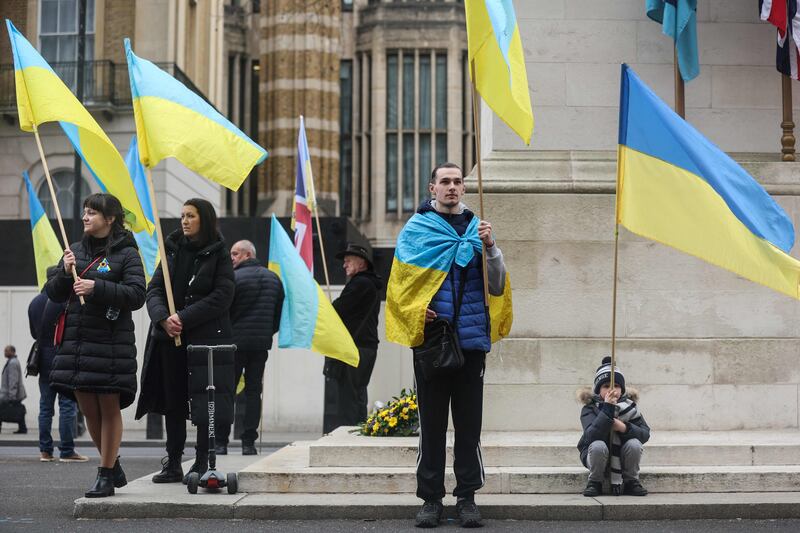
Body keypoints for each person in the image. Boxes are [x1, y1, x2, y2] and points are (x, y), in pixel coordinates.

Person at [388, 162, 509, 529]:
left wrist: (490, 248)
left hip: (471, 344)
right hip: (433, 344)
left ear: (464, 189)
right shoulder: (417, 230)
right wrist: (414, 311)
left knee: (469, 428)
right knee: (433, 428)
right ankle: (430, 500)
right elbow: (400, 287)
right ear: (432, 189)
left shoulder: (480, 230)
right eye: (445, 181)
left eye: (458, 181)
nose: (452, 187)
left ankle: (467, 497)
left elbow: (498, 285)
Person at [45, 193, 146, 497]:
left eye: (92, 213)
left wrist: (97, 287)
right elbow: (52, 292)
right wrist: (64, 273)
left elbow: (136, 294)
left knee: (108, 405)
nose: (86, 217)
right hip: (77, 342)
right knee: (88, 408)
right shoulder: (74, 251)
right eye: (85, 211)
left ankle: (104, 474)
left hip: (111, 343)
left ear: (110, 219)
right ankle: (112, 465)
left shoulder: (127, 253)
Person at [136, 198, 236, 485]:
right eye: (182, 216)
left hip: (203, 343)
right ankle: (174, 462)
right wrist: (163, 319)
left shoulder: (219, 253)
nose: (184, 221)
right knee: (173, 402)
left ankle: (203, 460)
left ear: (204, 219)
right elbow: (154, 289)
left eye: (190, 216)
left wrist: (183, 317)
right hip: (169, 339)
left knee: (206, 402)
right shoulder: (171, 248)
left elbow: (222, 296)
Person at [216, 239, 283, 456]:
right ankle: (248, 443)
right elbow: (277, 316)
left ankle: (221, 442)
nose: (231, 258)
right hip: (260, 345)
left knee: (227, 392)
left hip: (233, 345)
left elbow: (225, 312)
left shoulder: (233, 278)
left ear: (247, 255)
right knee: (254, 392)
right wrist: (265, 333)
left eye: (235, 254)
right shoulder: (274, 279)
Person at [322, 243, 382, 434]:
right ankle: (357, 432)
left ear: (362, 262)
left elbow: (338, 309)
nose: (344, 265)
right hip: (365, 347)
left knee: (348, 396)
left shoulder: (360, 283)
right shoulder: (368, 283)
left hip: (355, 347)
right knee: (357, 393)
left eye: (348, 261)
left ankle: (348, 434)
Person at [28, 278, 87, 462]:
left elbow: (33, 333)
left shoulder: (34, 303)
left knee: (45, 407)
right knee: (67, 405)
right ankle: (67, 451)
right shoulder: (64, 301)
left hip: (42, 360)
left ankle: (45, 451)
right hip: (63, 357)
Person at [578, 356, 650, 498]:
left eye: (616, 386)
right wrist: (607, 409)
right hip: (596, 455)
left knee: (635, 444)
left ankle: (631, 481)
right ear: (599, 390)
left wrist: (623, 428)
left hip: (622, 455)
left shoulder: (630, 408)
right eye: (606, 386)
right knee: (598, 445)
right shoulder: (590, 408)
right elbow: (591, 436)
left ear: (622, 389)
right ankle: (595, 482)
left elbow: (645, 434)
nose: (612, 390)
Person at [0, 345, 27, 434]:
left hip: (10, 394)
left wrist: (12, 396)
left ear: (12, 352)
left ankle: (23, 428)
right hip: (11, 393)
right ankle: (23, 428)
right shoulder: (12, 362)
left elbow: (13, 380)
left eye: (6, 351)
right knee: (18, 410)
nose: (5, 353)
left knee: (6, 409)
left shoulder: (13, 363)